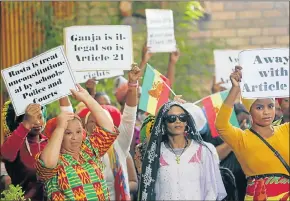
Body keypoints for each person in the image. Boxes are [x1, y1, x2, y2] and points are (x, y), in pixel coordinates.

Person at [215, 66, 289, 201]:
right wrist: (235, 89)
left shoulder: (286, 130)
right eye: (259, 107)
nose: (266, 112)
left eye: (270, 106)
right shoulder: (241, 138)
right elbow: (221, 125)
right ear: (249, 110)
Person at [35, 84, 118, 201]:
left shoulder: (88, 151)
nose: (75, 137)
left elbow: (109, 128)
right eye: (68, 133)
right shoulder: (55, 160)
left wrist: (87, 98)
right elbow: (48, 164)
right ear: (56, 137)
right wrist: (60, 127)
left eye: (79, 131)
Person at [138, 101, 226, 201]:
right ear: (163, 123)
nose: (178, 121)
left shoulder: (203, 151)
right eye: (172, 118)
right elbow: (149, 190)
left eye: (182, 117)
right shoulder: (155, 153)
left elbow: (211, 190)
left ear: (186, 122)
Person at [82, 64, 140, 200]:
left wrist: (132, 84)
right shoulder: (79, 151)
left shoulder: (119, 145)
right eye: (92, 121)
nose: (96, 125)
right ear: (84, 127)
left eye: (101, 121)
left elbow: (129, 115)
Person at [0, 97, 72, 201]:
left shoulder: (50, 143)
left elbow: (70, 122)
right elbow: (6, 154)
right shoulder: (14, 143)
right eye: (32, 118)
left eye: (40, 117)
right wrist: (26, 125)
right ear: (21, 121)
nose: (37, 122)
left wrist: (62, 93)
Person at [202, 103, 250, 201]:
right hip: (222, 184)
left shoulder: (249, 134)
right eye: (240, 121)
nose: (245, 124)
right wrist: (234, 138)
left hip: (243, 186)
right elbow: (214, 155)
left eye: (247, 121)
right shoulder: (214, 134)